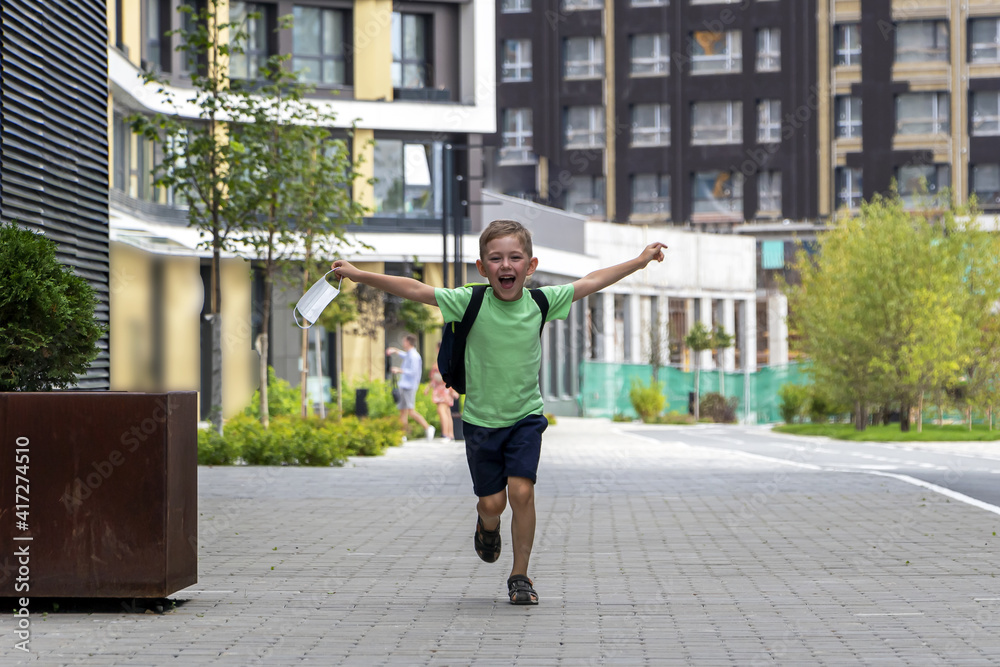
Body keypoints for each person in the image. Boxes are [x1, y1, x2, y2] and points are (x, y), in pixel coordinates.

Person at [333, 219, 666, 605]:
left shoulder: (542, 302)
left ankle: (520, 575)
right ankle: (486, 526)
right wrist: (360, 275)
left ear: (531, 265)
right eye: (495, 258)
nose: (505, 265)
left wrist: (639, 262)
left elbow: (591, 281)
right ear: (482, 267)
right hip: (480, 422)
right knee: (493, 504)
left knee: (522, 491)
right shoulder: (469, 301)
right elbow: (415, 288)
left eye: (514, 257)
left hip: (525, 418)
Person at [386, 334, 434, 441]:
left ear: (408, 342)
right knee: (403, 411)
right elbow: (403, 355)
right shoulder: (409, 354)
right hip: (404, 386)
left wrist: (399, 370)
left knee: (410, 411)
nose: (403, 343)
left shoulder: (414, 356)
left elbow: (413, 372)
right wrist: (394, 350)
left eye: (404, 341)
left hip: (409, 387)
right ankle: (402, 435)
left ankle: (428, 427)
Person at [426, 342, 460, 441]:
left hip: (443, 390)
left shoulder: (443, 361)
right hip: (442, 389)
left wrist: (452, 390)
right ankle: (450, 434)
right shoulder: (445, 360)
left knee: (442, 411)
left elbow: (447, 377)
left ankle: (445, 434)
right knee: (447, 412)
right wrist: (428, 387)